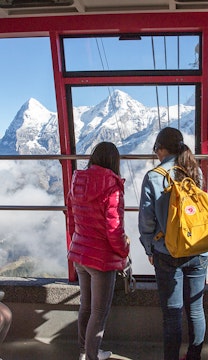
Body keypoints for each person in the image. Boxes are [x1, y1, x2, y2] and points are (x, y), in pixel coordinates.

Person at [138, 127, 208, 360]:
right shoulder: (194, 170)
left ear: (161, 148)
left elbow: (147, 221)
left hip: (167, 252)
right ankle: (194, 356)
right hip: (197, 249)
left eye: (156, 150)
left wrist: (149, 248)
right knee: (196, 309)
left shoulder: (154, 176)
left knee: (172, 315)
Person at [67, 142, 130, 360]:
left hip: (79, 252)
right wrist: (124, 250)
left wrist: (76, 241)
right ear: (114, 161)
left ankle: (85, 353)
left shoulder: (77, 180)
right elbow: (114, 229)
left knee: (85, 307)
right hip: (101, 258)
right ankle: (92, 357)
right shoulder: (112, 186)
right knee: (99, 312)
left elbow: (71, 218)